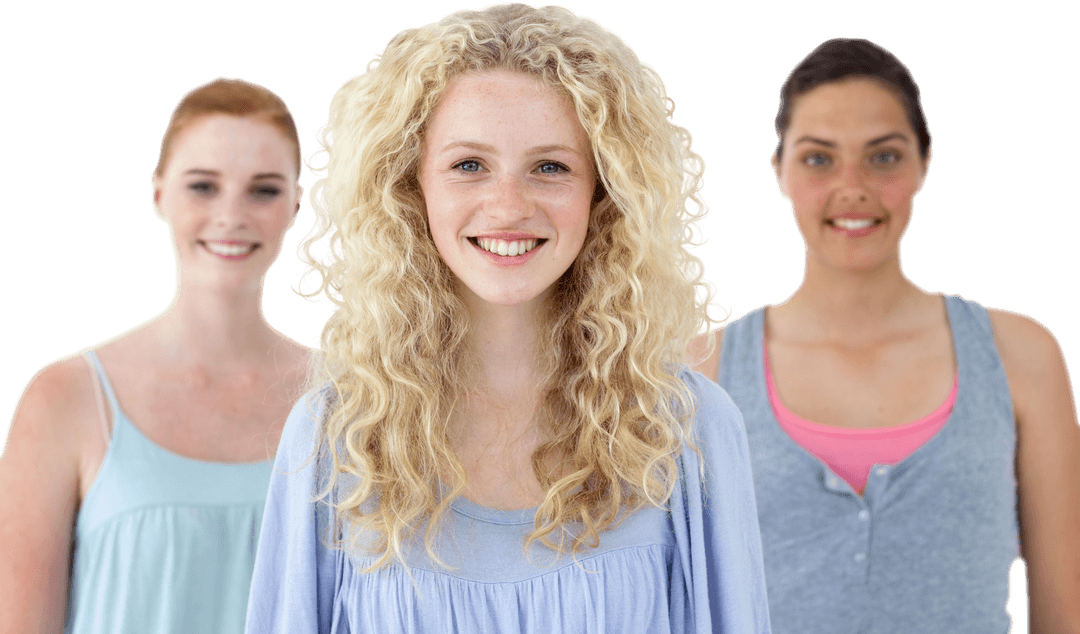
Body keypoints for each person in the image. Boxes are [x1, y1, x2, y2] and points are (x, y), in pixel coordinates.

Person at [244, 4, 771, 633]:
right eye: (469, 165)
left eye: (551, 167)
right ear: (412, 189)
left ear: (603, 194)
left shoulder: (688, 432)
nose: (508, 205)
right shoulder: (336, 438)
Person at [690, 38, 1080, 633]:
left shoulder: (1020, 355)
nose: (853, 188)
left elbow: (1061, 612)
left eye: (883, 157)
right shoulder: (705, 365)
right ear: (779, 171)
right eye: (819, 158)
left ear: (925, 162)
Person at [0, 77, 313, 633]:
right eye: (203, 186)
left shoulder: (354, 397)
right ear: (158, 195)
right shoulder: (64, 398)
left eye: (263, 190)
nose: (231, 215)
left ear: (296, 204)